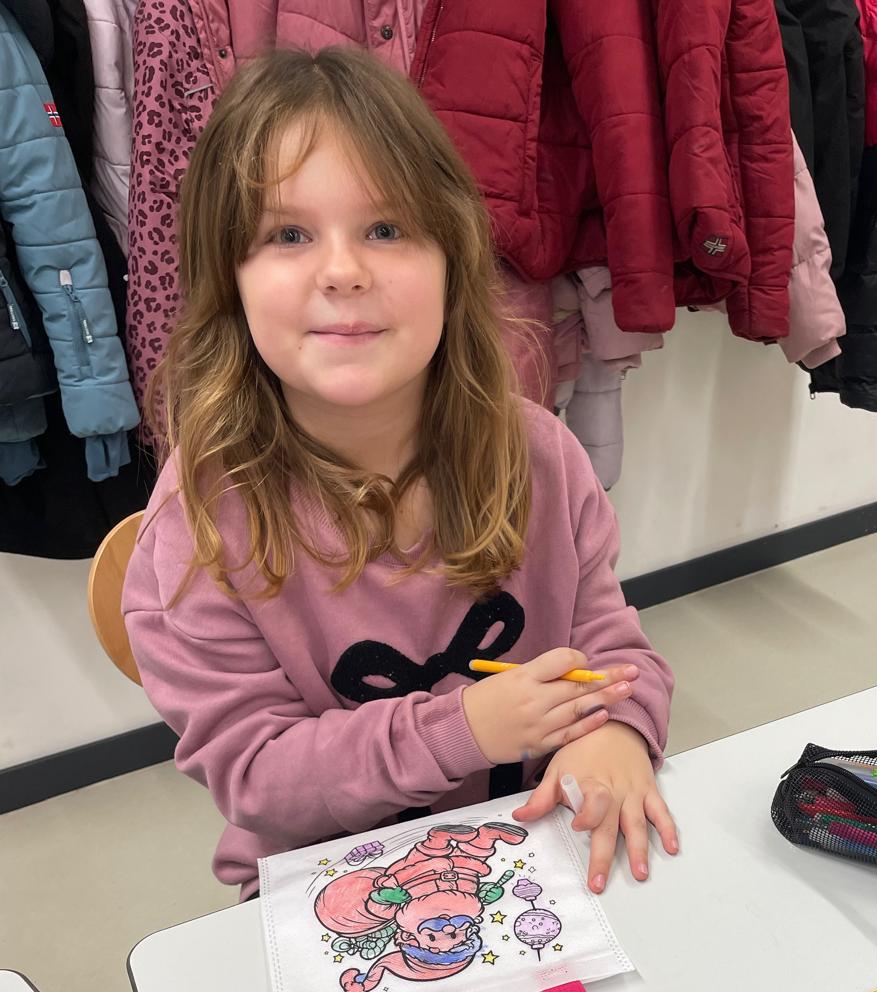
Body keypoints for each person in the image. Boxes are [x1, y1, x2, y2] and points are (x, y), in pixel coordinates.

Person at [123, 48, 676, 899]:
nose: (344, 271)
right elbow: (259, 778)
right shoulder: (199, 527)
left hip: (540, 853)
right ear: (229, 281)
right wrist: (464, 729)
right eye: (288, 235)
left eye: (385, 229)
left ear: (453, 261)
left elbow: (609, 649)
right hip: (330, 887)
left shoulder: (540, 455)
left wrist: (617, 730)